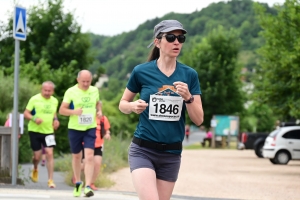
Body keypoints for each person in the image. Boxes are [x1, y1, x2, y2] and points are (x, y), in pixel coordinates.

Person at [119, 19, 204, 200]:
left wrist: (189, 98)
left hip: (172, 154)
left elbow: (199, 120)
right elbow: (122, 104)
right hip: (143, 149)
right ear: (157, 42)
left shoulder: (189, 75)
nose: (176, 42)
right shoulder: (141, 71)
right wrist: (133, 106)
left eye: (181, 39)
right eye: (171, 37)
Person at [59, 70, 102, 197]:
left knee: (89, 156)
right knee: (77, 157)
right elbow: (62, 110)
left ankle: (88, 186)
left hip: (90, 127)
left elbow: (98, 104)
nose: (85, 84)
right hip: (75, 128)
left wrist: (99, 111)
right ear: (78, 80)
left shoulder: (94, 90)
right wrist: (74, 112)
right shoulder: (71, 91)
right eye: (83, 81)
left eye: (88, 81)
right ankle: (78, 182)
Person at [23, 81, 59, 188]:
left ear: (53, 91)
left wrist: (56, 120)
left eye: (49, 91)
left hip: (49, 131)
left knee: (49, 153)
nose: (47, 93)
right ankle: (35, 168)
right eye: (45, 90)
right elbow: (26, 113)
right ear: (41, 90)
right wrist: (34, 118)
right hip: (35, 131)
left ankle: (50, 180)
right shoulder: (34, 99)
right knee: (37, 157)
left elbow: (54, 113)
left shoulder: (55, 101)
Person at [78, 110, 111, 190]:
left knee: (97, 164)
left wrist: (107, 134)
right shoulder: (86, 116)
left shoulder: (103, 118)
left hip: (98, 144)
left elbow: (107, 129)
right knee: (85, 163)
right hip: (85, 144)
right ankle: (76, 176)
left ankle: (90, 183)